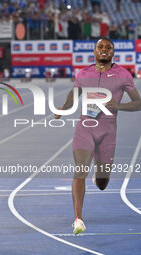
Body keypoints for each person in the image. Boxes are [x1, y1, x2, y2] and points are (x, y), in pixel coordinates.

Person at [55, 38, 141, 235]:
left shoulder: (122, 75)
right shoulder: (84, 74)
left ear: (113, 53)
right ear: (94, 51)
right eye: (100, 47)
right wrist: (62, 108)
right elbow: (73, 94)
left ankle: (99, 176)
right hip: (85, 127)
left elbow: (138, 103)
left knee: (103, 183)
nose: (104, 50)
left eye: (108, 48)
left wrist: (117, 106)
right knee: (80, 169)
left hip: (108, 131)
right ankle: (78, 219)